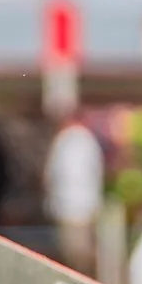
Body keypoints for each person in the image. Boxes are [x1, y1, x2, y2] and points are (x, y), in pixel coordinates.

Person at [43, 108, 105, 272]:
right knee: (77, 251)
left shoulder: (67, 141)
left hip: (71, 207)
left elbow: (52, 175)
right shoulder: (86, 140)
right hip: (82, 206)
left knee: (75, 253)